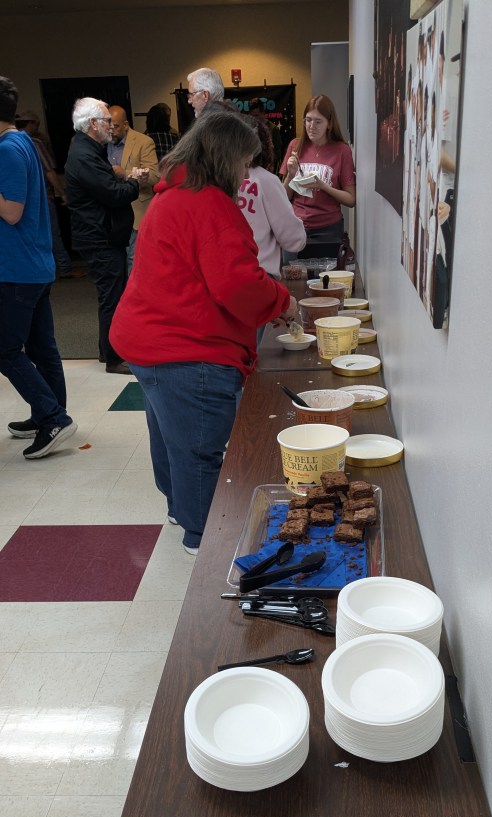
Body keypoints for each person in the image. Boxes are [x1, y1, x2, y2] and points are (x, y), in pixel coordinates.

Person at [109, 109, 297, 555]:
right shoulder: (209, 205)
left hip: (149, 338)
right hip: (185, 347)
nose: (246, 174)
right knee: (198, 449)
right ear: (226, 158)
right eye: (245, 163)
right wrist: (281, 301)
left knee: (170, 437)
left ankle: (180, 508)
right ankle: (201, 538)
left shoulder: (173, 194)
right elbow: (237, 284)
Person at [0, 76, 77, 459]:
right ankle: (48, 414)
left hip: (17, 267)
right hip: (32, 263)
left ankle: (53, 417)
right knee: (41, 348)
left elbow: (11, 212)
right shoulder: (23, 143)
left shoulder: (8, 150)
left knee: (5, 350)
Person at [64, 97, 149, 373]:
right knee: (112, 298)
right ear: (92, 123)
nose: (110, 126)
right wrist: (134, 181)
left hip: (102, 234)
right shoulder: (84, 155)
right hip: (100, 237)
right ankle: (114, 357)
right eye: (106, 121)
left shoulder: (88, 150)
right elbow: (113, 194)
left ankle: (107, 351)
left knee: (111, 295)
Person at [237, 115, 306, 345]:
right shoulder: (266, 181)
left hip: (224, 281)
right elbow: (294, 240)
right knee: (251, 352)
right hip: (257, 277)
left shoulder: (210, 182)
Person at [280, 94, 356, 260]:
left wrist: (324, 186)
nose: (311, 126)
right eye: (308, 120)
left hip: (329, 228)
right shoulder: (295, 145)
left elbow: (351, 200)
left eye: (318, 121)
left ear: (329, 123)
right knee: (293, 274)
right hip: (296, 225)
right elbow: (283, 197)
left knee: (326, 276)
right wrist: (290, 176)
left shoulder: (342, 151)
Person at [15, 109, 85, 279]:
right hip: (42, 198)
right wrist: (63, 193)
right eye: (36, 124)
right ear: (30, 124)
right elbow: (49, 172)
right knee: (52, 234)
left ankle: (35, 270)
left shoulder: (8, 144)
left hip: (19, 201)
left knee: (29, 237)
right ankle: (64, 268)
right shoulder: (35, 143)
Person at [107, 105, 160, 273]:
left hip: (135, 211)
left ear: (126, 124)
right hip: (110, 213)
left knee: (134, 260)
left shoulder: (143, 142)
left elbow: (154, 176)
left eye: (115, 126)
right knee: (115, 261)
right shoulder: (102, 142)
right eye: (108, 126)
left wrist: (125, 173)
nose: (111, 131)